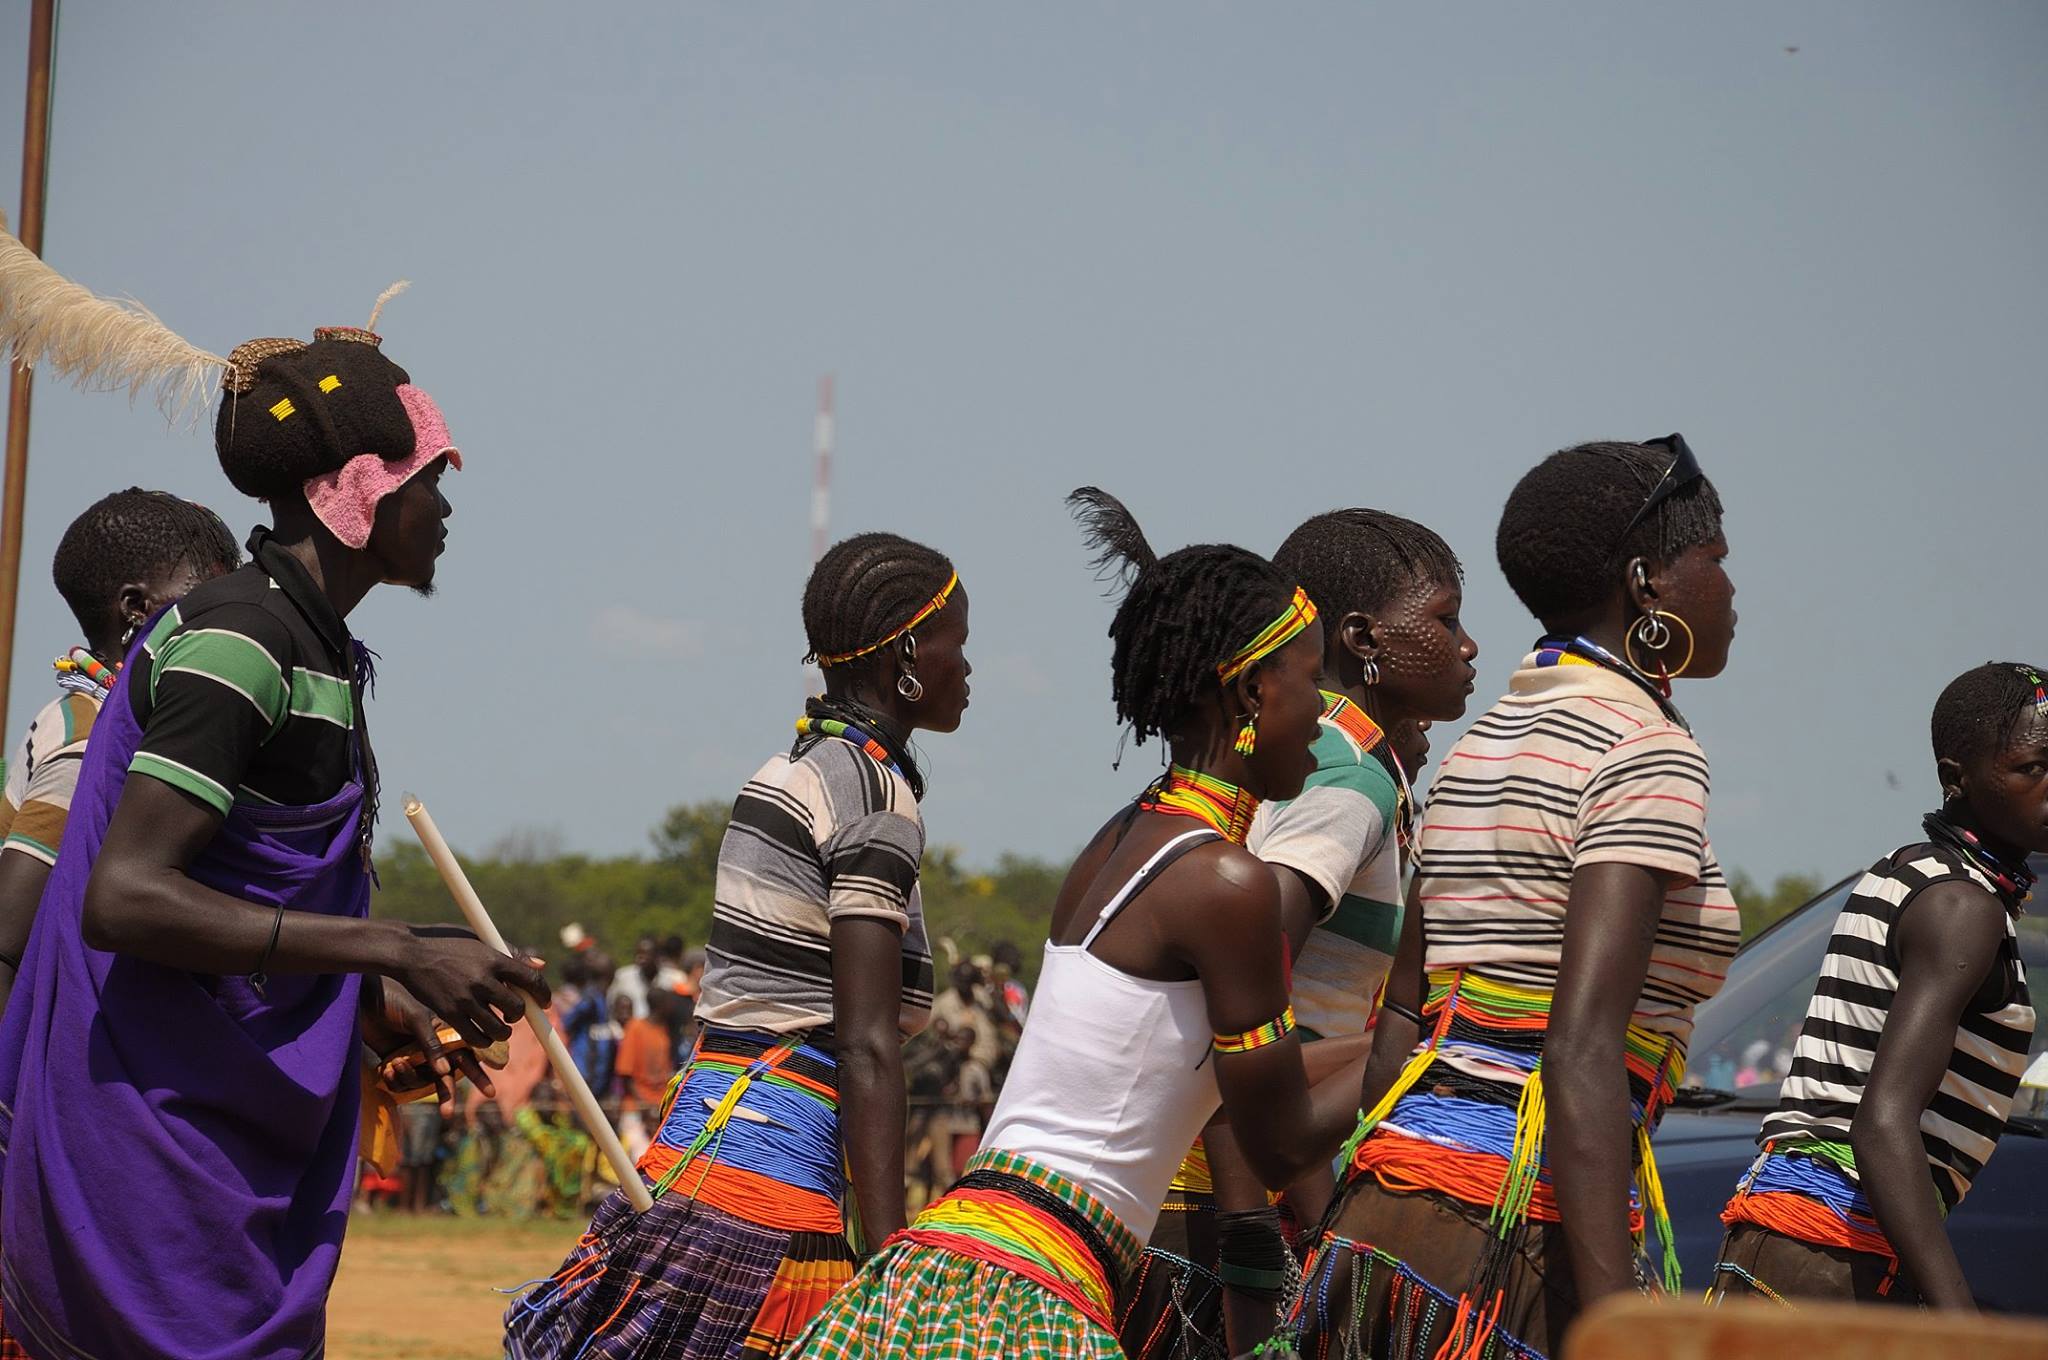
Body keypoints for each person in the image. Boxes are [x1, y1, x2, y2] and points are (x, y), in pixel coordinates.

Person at [0, 321, 549, 1360]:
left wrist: (390, 994)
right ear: (355, 491)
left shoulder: (317, 651)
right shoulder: (240, 642)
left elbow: (253, 906)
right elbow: (125, 897)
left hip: (217, 1143)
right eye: (429, 478)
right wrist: (390, 949)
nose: (443, 506)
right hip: (152, 1148)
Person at [786, 488, 1370, 1359]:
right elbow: (1281, 1141)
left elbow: (1194, 1071)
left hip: (964, 1260)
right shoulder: (1225, 881)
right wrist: (1415, 1038)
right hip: (1029, 1293)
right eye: (1309, 681)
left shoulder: (1127, 841)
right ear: (1252, 691)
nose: (1322, 718)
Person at [1273, 436, 1741, 1359]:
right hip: (1512, 1241)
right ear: (1647, 582)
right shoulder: (1645, 750)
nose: (1731, 591)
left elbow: (1405, 1018)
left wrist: (1342, 1224)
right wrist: (1622, 1328)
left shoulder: (1480, 744)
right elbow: (1580, 1049)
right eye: (1716, 561)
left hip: (1382, 1223)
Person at [506, 531, 968, 1359]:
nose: (968, 670)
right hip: (776, 1197)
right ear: (907, 651)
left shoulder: (782, 774)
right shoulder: (875, 797)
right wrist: (893, 1267)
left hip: (693, 1156)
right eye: (956, 644)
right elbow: (865, 1044)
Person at [1122, 508, 1479, 1359]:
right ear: (1362, 638)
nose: (1467, 647)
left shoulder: (1325, 762)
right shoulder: (1348, 779)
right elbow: (1247, 969)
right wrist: (1277, 1216)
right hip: (1225, 1200)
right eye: (1445, 620)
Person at [1713, 663, 2046, 1307]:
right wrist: (1960, 1323)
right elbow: (1882, 1123)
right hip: (1833, 1255)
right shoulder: (1963, 908)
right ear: (1957, 778)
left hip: (1789, 1241)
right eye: (2031, 767)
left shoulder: (1909, 873)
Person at [0, 489, 242, 1014]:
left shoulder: (128, 729)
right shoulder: (90, 741)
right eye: (209, 597)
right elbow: (7, 940)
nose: (234, 619)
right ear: (138, 607)